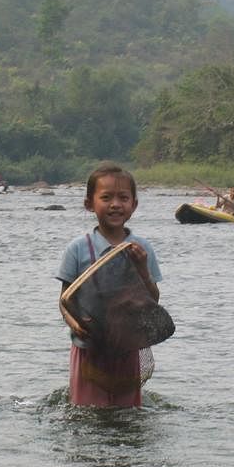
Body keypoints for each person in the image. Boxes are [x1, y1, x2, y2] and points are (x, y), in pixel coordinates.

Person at [57, 162, 162, 407]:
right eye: (106, 197)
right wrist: (75, 324)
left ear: (134, 205)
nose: (115, 204)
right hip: (89, 346)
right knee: (86, 409)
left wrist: (142, 270)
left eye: (123, 198)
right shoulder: (78, 248)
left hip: (127, 344)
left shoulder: (142, 249)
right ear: (89, 203)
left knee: (127, 410)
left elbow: (153, 300)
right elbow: (65, 301)